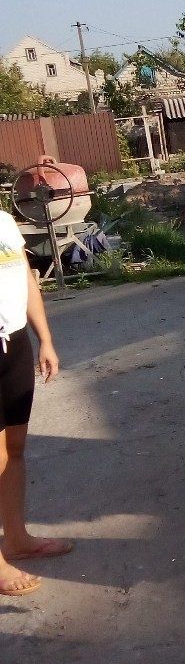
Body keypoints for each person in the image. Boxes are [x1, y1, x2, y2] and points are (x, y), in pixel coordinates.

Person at [0, 209, 71, 596]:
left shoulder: (5, 222)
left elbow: (25, 278)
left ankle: (16, 538)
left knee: (15, 449)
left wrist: (44, 337)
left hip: (14, 343)